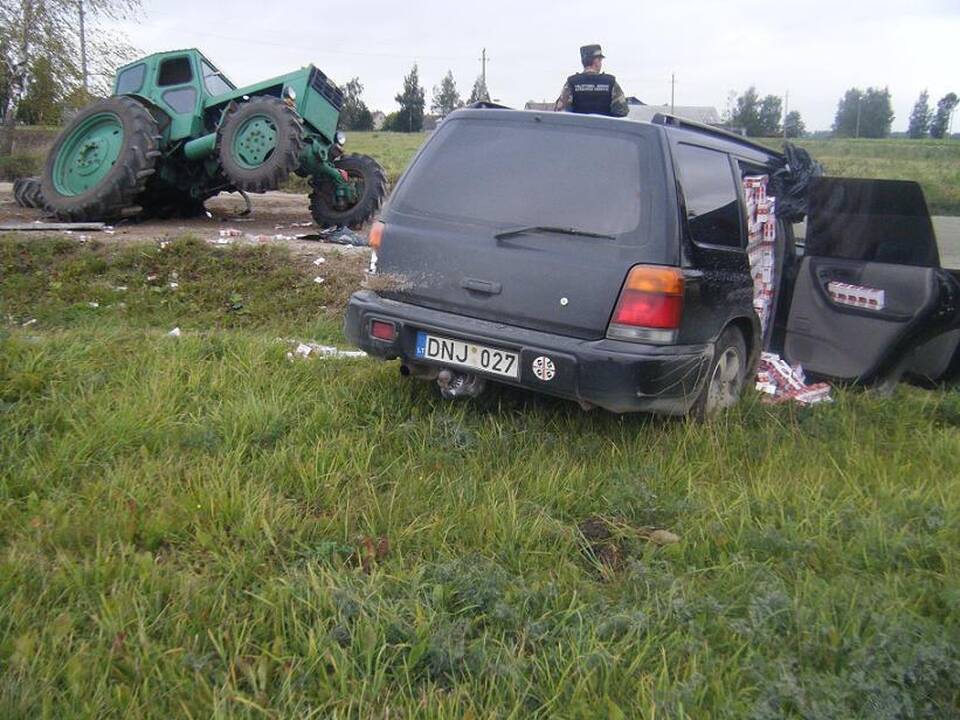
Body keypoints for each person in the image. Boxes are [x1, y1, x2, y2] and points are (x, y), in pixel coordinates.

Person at [554, 44, 629, 117]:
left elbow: (561, 112)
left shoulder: (572, 82)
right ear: (596, 61)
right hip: (604, 128)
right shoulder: (610, 82)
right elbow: (622, 111)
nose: (600, 63)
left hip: (578, 128)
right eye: (600, 60)